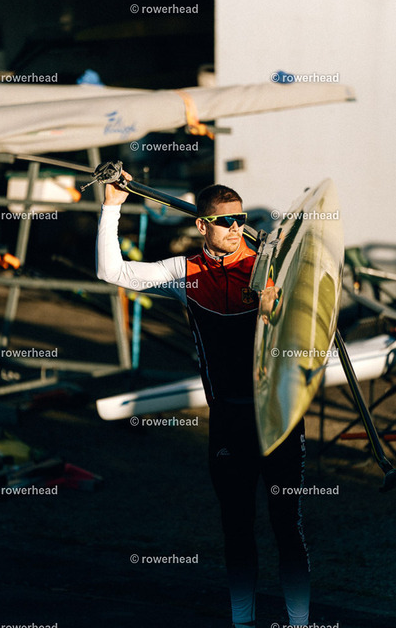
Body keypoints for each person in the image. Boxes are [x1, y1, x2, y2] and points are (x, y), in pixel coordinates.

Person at [96, 170, 310, 628]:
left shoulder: (271, 269)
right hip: (229, 423)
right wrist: (112, 205)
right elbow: (111, 272)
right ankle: (242, 622)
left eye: (241, 220)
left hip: (281, 418)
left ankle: (300, 623)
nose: (235, 228)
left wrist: (278, 309)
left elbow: (316, 330)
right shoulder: (184, 272)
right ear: (201, 225)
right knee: (236, 527)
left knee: (287, 528)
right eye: (225, 221)